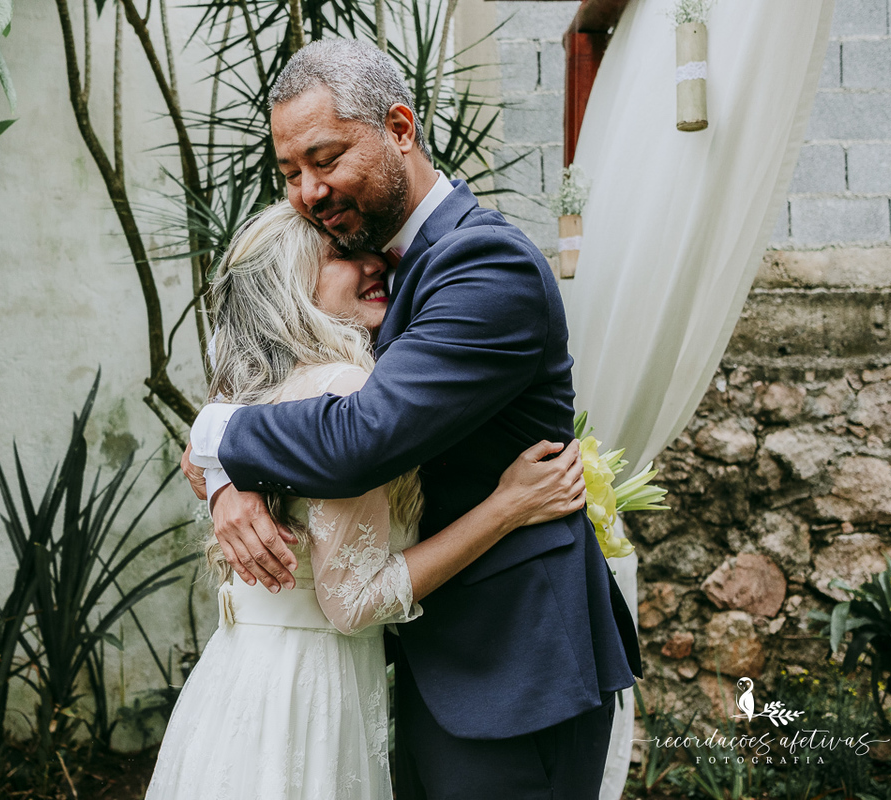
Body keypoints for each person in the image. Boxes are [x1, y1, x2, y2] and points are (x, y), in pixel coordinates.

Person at [184, 39, 642, 799]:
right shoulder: (369, 276)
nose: (307, 191)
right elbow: (284, 399)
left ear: (399, 129)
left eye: (324, 159)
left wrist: (215, 438)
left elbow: (361, 439)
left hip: (512, 671)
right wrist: (226, 478)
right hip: (414, 665)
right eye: (290, 173)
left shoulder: (483, 265)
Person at [146, 201, 586, 800]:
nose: (375, 263)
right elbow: (352, 601)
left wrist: (213, 462)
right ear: (292, 285)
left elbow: (224, 439)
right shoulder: (343, 387)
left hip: (238, 686)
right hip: (309, 694)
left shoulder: (251, 395)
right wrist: (506, 506)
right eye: (342, 256)